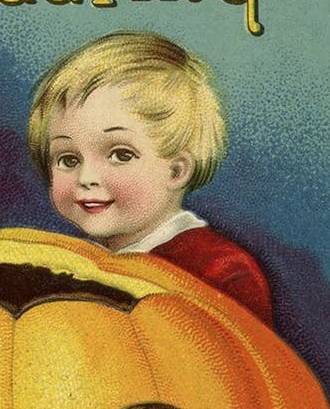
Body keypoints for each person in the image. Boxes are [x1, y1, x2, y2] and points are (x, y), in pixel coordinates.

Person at [27, 31, 273, 325]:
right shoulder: (73, 268)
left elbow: (245, 368)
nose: (86, 177)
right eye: (68, 159)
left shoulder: (220, 272)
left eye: (120, 155)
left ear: (176, 171)